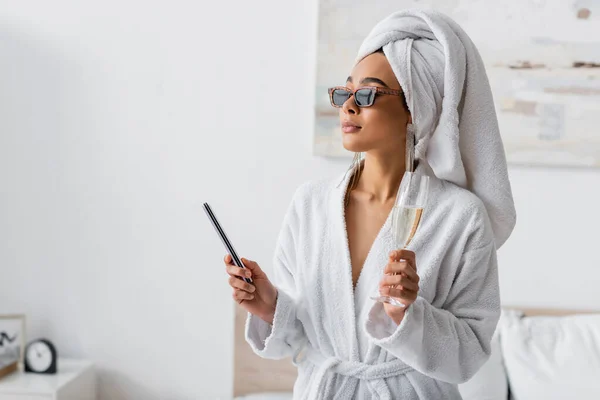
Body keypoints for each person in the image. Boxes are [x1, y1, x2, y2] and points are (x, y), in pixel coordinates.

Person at [224, 8, 516, 400]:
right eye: (346, 92)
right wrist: (268, 306)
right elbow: (299, 339)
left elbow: (469, 353)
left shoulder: (460, 218)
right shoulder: (310, 204)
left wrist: (406, 316)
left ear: (416, 107)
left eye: (368, 94)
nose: (348, 106)